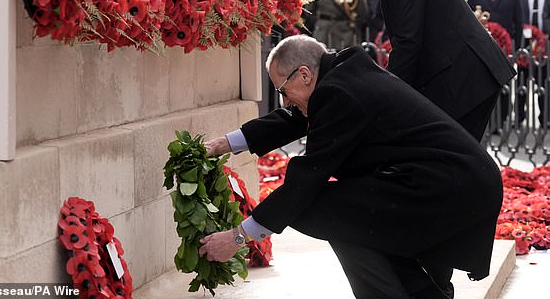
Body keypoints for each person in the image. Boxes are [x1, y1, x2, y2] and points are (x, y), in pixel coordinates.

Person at [199, 36, 503, 299]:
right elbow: (296, 118)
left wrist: (237, 237)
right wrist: (225, 144)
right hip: (452, 180)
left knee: (323, 210)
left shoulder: (338, 93)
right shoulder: (340, 76)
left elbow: (306, 180)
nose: (285, 101)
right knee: (350, 215)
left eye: (283, 91)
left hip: (451, 187)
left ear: (304, 75)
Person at [317, 0, 515, 141]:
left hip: (463, 79)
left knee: (447, 166)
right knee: (449, 166)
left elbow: (407, 43)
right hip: (459, 76)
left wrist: (386, 99)